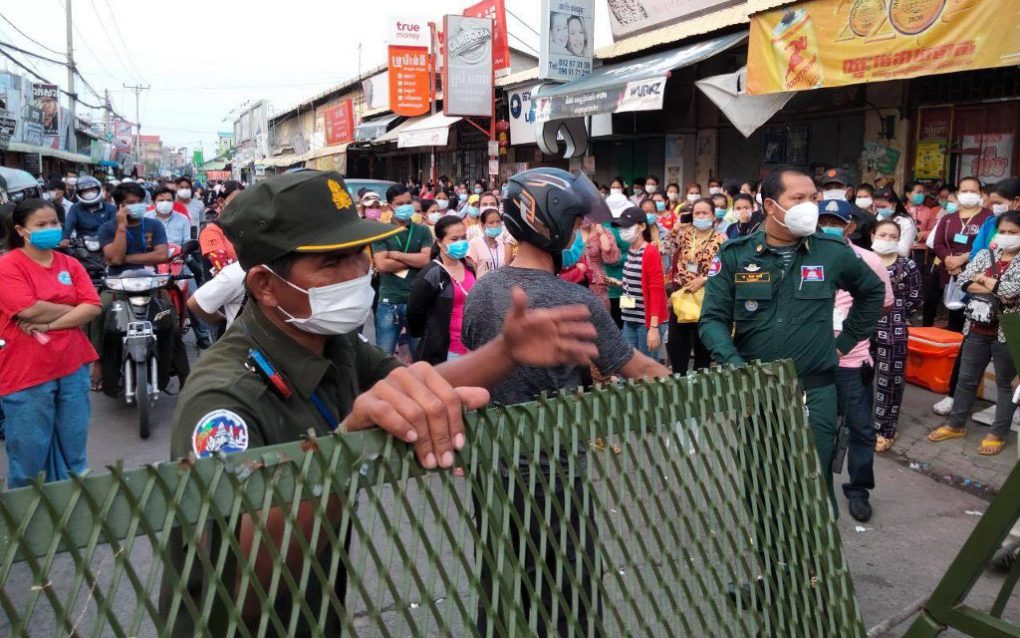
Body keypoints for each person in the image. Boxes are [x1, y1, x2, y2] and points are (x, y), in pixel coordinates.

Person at [162, 169, 604, 637]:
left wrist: (505, 352)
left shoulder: (332, 341)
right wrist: (340, 453)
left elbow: (417, 381)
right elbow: (239, 589)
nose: (357, 273)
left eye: (359, 254)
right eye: (332, 263)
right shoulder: (223, 397)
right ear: (265, 286)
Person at [461, 168, 668, 638]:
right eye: (576, 224)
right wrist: (671, 378)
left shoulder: (483, 291)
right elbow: (630, 364)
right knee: (569, 587)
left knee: (501, 580)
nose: (581, 234)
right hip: (555, 468)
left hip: (492, 464)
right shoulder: (574, 298)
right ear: (549, 223)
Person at [699, 165, 886, 501]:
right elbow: (712, 320)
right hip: (756, 393)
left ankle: (815, 554)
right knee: (762, 485)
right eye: (798, 199)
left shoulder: (832, 252)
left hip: (814, 391)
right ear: (770, 206)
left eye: (813, 198)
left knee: (813, 484)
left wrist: (844, 343)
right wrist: (734, 366)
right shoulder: (736, 255)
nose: (810, 207)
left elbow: (872, 293)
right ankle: (770, 552)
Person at [0, 198, 101, 488]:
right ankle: (26, 522)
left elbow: (93, 307)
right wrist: (74, 311)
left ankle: (72, 513)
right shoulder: (7, 266)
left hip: (72, 363)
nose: (50, 229)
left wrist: (47, 323)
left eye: (54, 222)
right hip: (26, 369)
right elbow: (27, 310)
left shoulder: (70, 263)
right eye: (41, 225)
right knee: (29, 457)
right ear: (21, 230)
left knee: (75, 452)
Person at [816, 200, 894, 522]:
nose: (831, 227)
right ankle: (813, 488)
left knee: (861, 430)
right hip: (813, 363)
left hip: (852, 363)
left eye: (838, 222)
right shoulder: (805, 256)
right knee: (813, 429)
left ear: (850, 227)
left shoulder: (869, 260)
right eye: (825, 221)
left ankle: (858, 490)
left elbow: (884, 303)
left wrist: (852, 325)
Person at [928, 211, 1020, 456]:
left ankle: (997, 432)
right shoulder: (985, 254)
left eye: (1014, 232)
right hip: (976, 326)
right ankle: (955, 424)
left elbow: (1012, 292)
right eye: (1003, 231)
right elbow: (963, 282)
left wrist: (985, 281)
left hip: (1008, 329)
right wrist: (994, 286)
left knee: (1004, 385)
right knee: (966, 379)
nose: (1007, 236)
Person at [94, 182, 188, 394]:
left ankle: (185, 375)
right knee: (99, 312)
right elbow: (114, 258)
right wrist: (121, 227)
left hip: (151, 284)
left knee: (170, 320)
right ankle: (99, 363)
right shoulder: (108, 229)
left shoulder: (153, 226)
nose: (136, 206)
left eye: (139, 202)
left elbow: (161, 255)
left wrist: (124, 258)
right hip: (117, 287)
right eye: (130, 203)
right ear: (119, 206)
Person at [870, 220, 922, 452]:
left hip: (894, 333)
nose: (888, 239)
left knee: (889, 383)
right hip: (861, 331)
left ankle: (885, 430)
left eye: (893, 236)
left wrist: (897, 316)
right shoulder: (862, 261)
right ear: (873, 235)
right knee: (857, 381)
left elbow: (915, 298)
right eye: (883, 234)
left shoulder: (907, 266)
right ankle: (858, 424)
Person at [667, 198, 726, 375]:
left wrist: (704, 279)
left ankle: (701, 394)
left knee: (703, 350)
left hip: (706, 298)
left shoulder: (721, 239)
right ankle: (679, 389)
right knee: (677, 347)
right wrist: (676, 227)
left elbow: (726, 269)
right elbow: (664, 249)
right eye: (697, 213)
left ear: (713, 215)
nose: (701, 217)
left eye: (705, 213)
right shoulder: (684, 234)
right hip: (682, 296)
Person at [372, 184, 432, 357]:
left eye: (408, 202)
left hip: (417, 302)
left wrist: (396, 254)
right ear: (390, 206)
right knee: (384, 356)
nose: (406, 207)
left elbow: (427, 260)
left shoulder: (422, 230)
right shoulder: (381, 231)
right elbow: (382, 265)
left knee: (420, 357)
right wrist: (414, 259)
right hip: (389, 302)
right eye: (400, 203)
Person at [407, 216, 476, 364]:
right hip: (446, 351)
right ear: (439, 242)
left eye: (464, 237)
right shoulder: (430, 274)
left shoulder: (469, 267)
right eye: (454, 239)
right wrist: (432, 335)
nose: (461, 243)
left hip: (471, 347)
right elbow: (414, 313)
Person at [932, 177, 992, 333]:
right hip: (951, 271)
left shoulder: (989, 217)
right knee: (954, 317)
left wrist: (963, 259)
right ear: (958, 194)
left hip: (977, 273)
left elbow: (989, 245)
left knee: (973, 318)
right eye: (964, 191)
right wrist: (949, 259)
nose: (968, 194)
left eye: (973, 191)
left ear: (981, 194)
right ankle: (954, 353)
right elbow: (938, 244)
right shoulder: (948, 218)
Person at [613, 207, 667, 359]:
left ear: (642, 226)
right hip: (630, 318)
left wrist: (654, 327)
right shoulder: (631, 249)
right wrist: (621, 283)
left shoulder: (650, 252)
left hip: (646, 321)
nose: (623, 231)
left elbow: (656, 290)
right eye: (621, 227)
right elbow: (638, 280)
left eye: (627, 227)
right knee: (628, 366)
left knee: (646, 372)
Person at [187, 260, 246, 330]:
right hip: (240, 335)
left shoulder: (236, 272)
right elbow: (194, 303)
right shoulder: (236, 273)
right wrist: (223, 322)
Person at [62, 176, 116, 241]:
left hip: (106, 243)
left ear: (98, 190)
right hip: (82, 245)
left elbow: (114, 228)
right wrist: (64, 239)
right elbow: (68, 226)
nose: (90, 193)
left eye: (92, 190)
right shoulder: (75, 208)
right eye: (85, 191)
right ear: (80, 193)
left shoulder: (110, 208)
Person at [466, 207, 511, 278]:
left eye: (498, 221)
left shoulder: (502, 243)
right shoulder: (474, 243)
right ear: (483, 225)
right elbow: (471, 273)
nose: (496, 225)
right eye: (491, 222)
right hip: (481, 287)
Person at [872, 187, 917, 258]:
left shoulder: (905, 221)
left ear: (894, 204)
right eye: (877, 207)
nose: (880, 209)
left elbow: (903, 251)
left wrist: (883, 245)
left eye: (883, 207)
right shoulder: (877, 217)